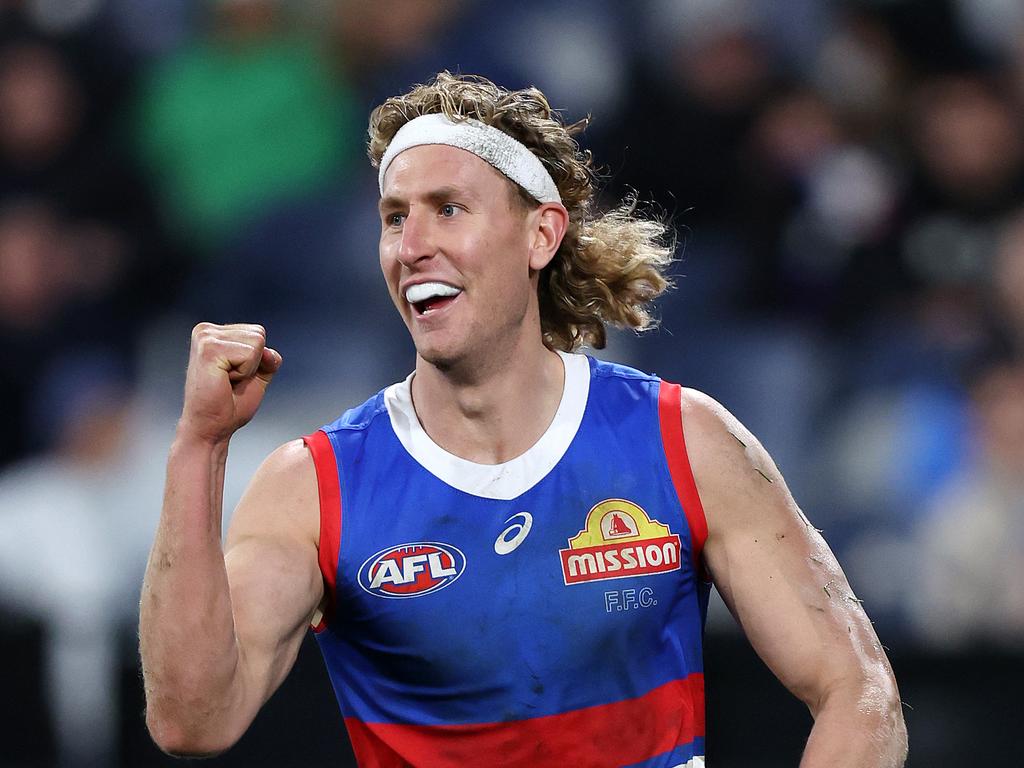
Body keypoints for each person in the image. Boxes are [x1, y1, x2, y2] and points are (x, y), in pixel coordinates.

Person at [139, 72, 908, 767]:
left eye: (448, 210)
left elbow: (858, 692)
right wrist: (199, 448)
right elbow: (193, 722)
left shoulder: (683, 440)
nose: (412, 247)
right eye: (394, 216)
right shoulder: (314, 488)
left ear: (541, 234)